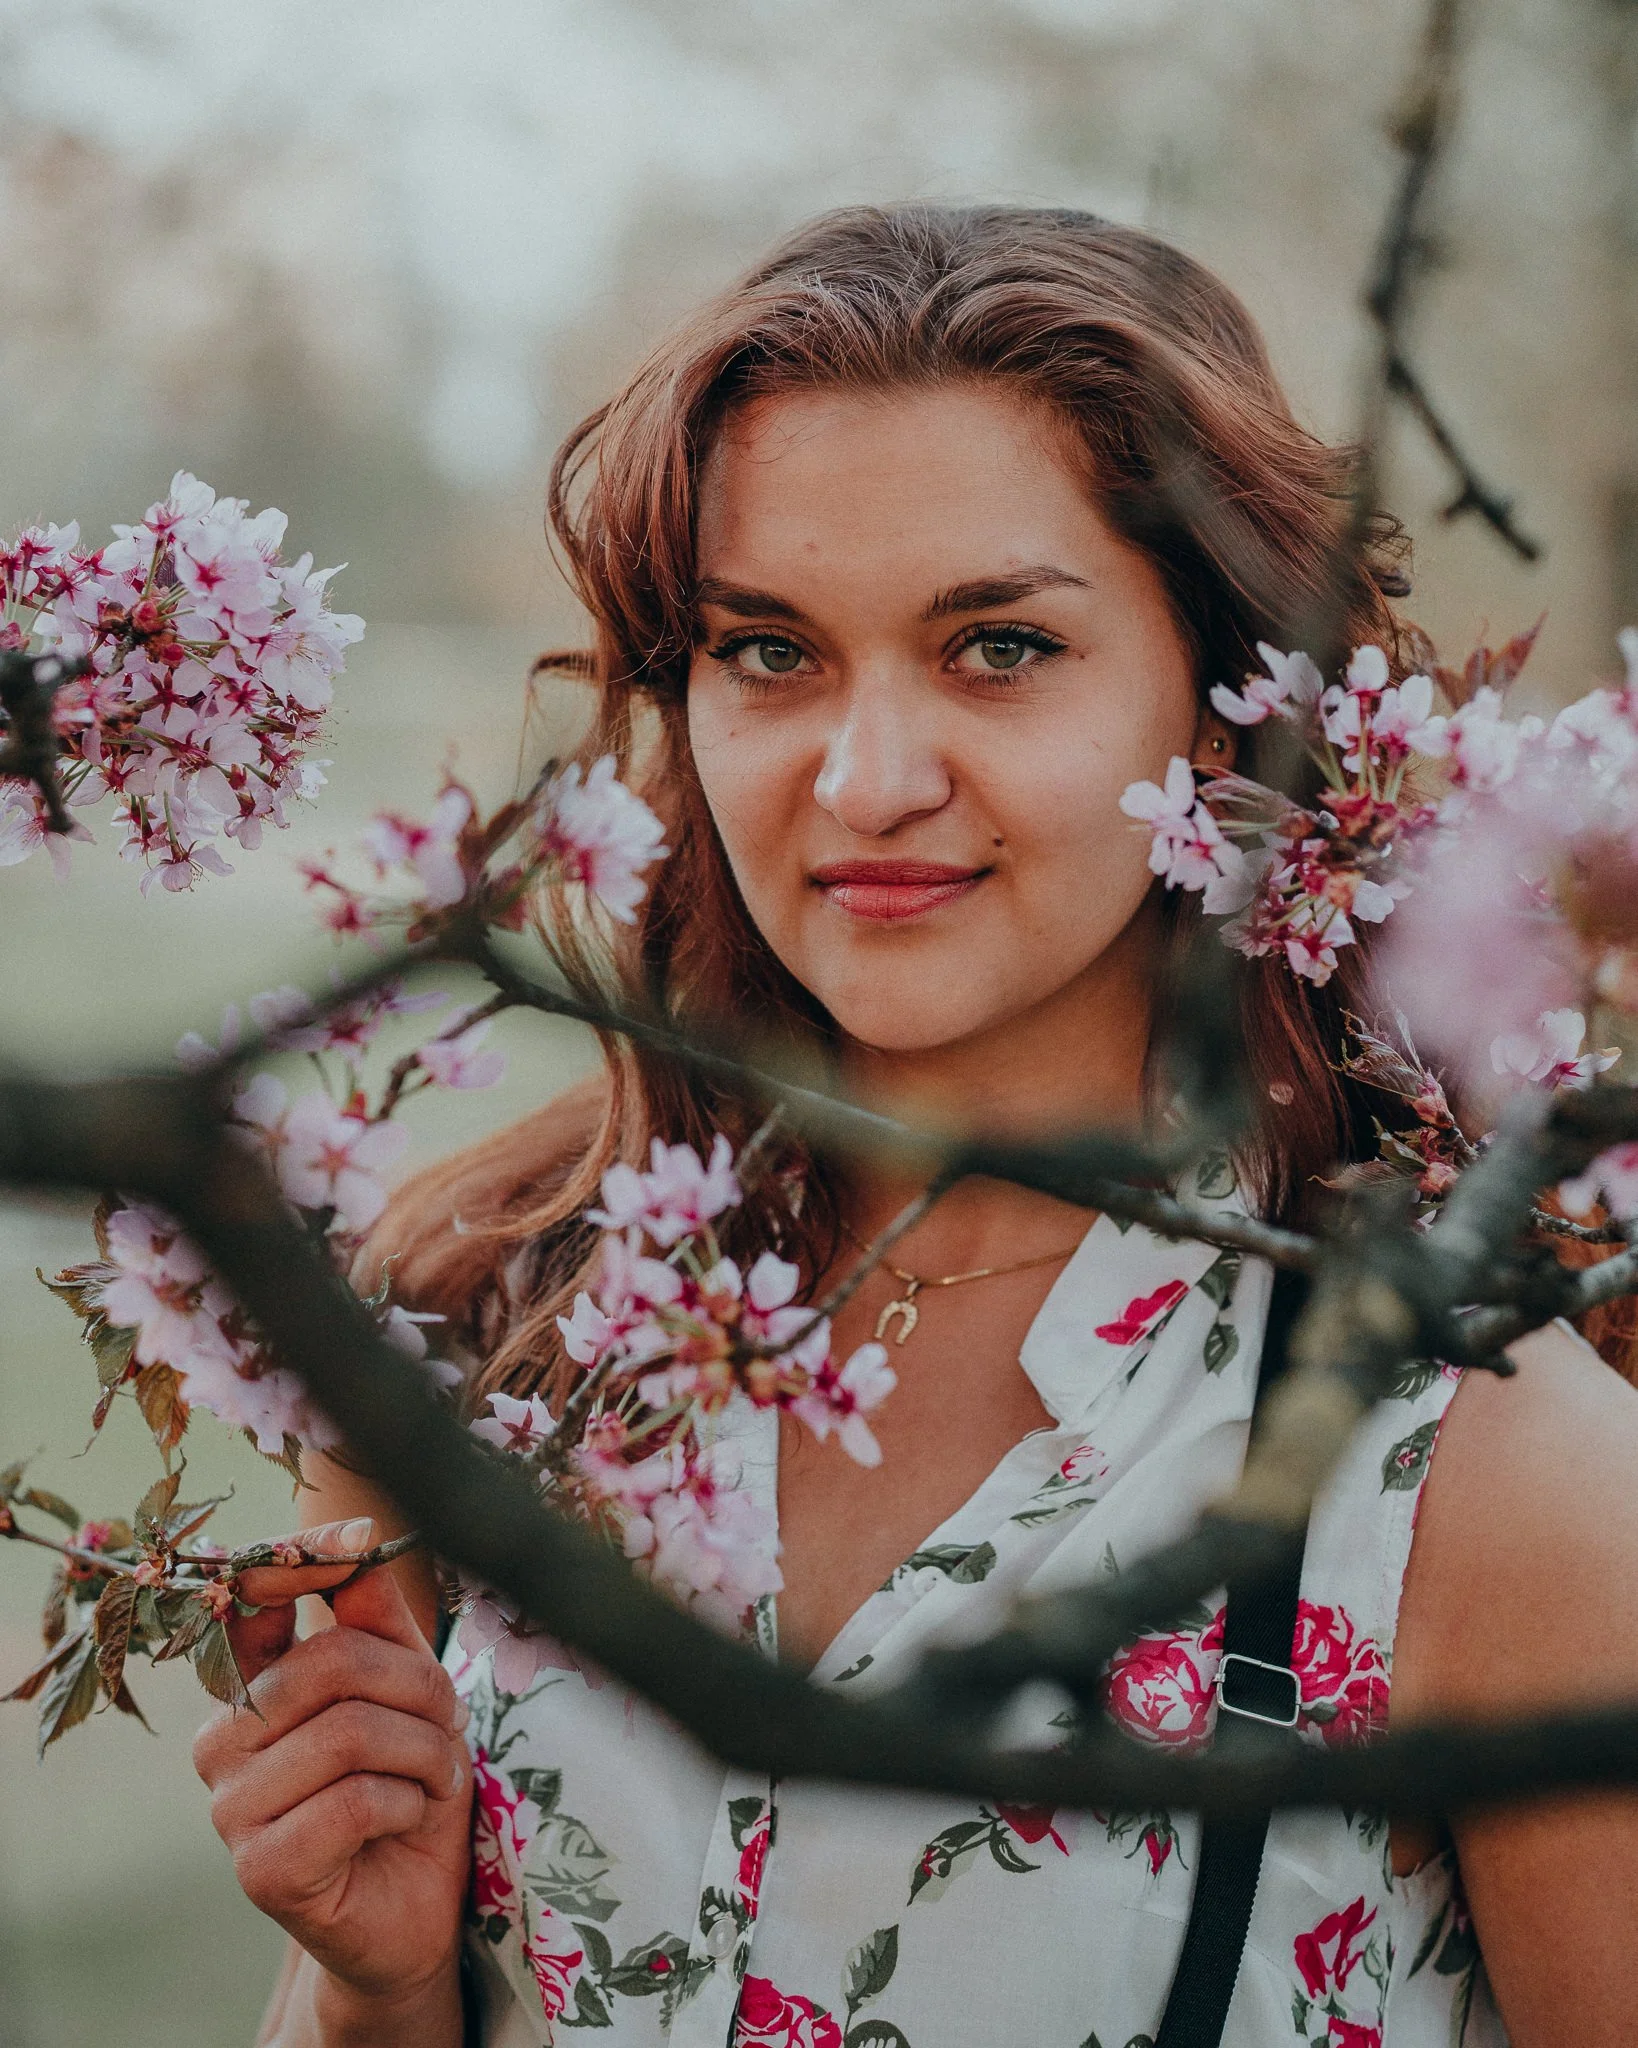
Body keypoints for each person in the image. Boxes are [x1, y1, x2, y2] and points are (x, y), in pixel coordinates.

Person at [192, 204, 1638, 2048]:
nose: (867, 782)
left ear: (1221, 698)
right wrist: (365, 1984)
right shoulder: (488, 1325)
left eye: (997, 648)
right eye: (770, 653)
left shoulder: (1470, 1467)